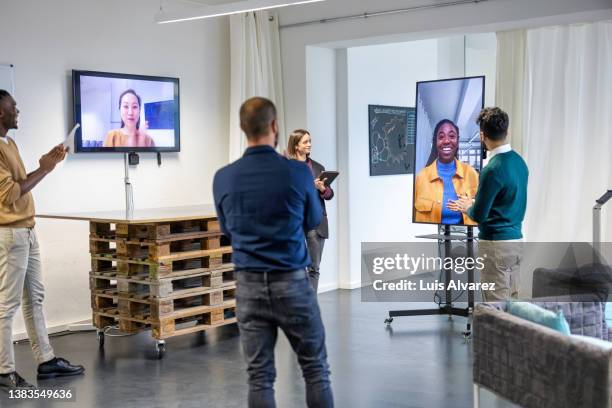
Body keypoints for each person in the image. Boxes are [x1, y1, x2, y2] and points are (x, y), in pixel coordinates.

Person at [213, 97, 333, 408]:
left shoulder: (223, 178)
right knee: (316, 371)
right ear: (275, 127)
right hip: (292, 282)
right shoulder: (297, 173)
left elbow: (227, 229)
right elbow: (311, 220)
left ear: (242, 128)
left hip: (249, 287)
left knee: (260, 377)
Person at [0, 90, 85, 392]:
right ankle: (4, 370)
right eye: (13, 107)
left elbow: (21, 182)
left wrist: (45, 164)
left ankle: (45, 360)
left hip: (27, 230)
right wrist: (45, 168)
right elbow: (10, 195)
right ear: (0, 113)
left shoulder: (9, 143)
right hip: (11, 235)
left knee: (34, 298)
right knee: (7, 305)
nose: (18, 111)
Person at [448, 107, 528, 301]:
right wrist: (475, 202)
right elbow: (504, 200)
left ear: (482, 135)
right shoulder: (519, 162)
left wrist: (467, 206)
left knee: (496, 304)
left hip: (495, 246)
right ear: (506, 131)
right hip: (516, 242)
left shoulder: (492, 169)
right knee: (513, 300)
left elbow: (479, 215)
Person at [286, 129, 334, 292]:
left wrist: (322, 189)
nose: (309, 145)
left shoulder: (318, 168)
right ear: (296, 145)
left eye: (310, 141)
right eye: (305, 142)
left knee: (313, 268)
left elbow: (329, 194)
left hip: (316, 224)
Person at [414, 119, 479, 225]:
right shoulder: (421, 177)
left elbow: (484, 212)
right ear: (435, 142)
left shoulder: (472, 174)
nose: (446, 141)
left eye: (452, 136)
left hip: (465, 237)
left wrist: (472, 203)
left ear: (457, 141)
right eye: (441, 137)